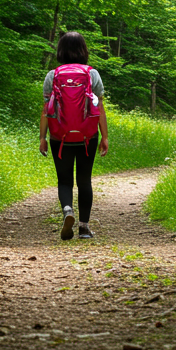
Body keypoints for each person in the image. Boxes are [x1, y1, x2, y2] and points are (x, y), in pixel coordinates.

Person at [39, 31, 109, 240]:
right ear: (83, 50)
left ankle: (68, 210)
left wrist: (42, 137)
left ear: (60, 50)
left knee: (64, 180)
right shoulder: (91, 74)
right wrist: (104, 136)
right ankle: (84, 227)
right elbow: (100, 108)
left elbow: (47, 109)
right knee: (84, 179)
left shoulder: (53, 75)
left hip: (59, 136)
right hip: (87, 135)